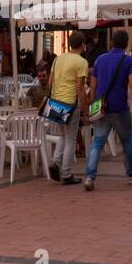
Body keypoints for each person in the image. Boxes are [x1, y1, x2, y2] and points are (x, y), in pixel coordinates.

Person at [83, 30, 132, 191]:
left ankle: (90, 176)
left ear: (111, 42)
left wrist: (92, 106)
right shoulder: (130, 61)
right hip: (119, 108)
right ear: (126, 44)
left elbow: (93, 84)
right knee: (127, 142)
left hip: (102, 108)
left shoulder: (99, 60)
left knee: (97, 142)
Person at [45, 31, 89, 185]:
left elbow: (50, 82)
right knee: (70, 138)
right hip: (71, 103)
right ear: (83, 45)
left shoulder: (57, 59)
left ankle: (55, 161)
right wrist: (85, 109)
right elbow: (80, 88)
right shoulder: (81, 62)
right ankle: (66, 173)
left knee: (63, 136)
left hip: (55, 102)